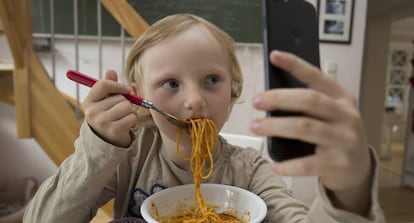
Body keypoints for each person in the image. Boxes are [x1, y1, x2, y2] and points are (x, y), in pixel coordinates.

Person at [23, 14, 384, 223]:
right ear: (140, 96)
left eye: (211, 80)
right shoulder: (128, 156)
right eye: (170, 83)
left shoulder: (250, 171)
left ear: (233, 90)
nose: (194, 101)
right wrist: (98, 147)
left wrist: (349, 189)